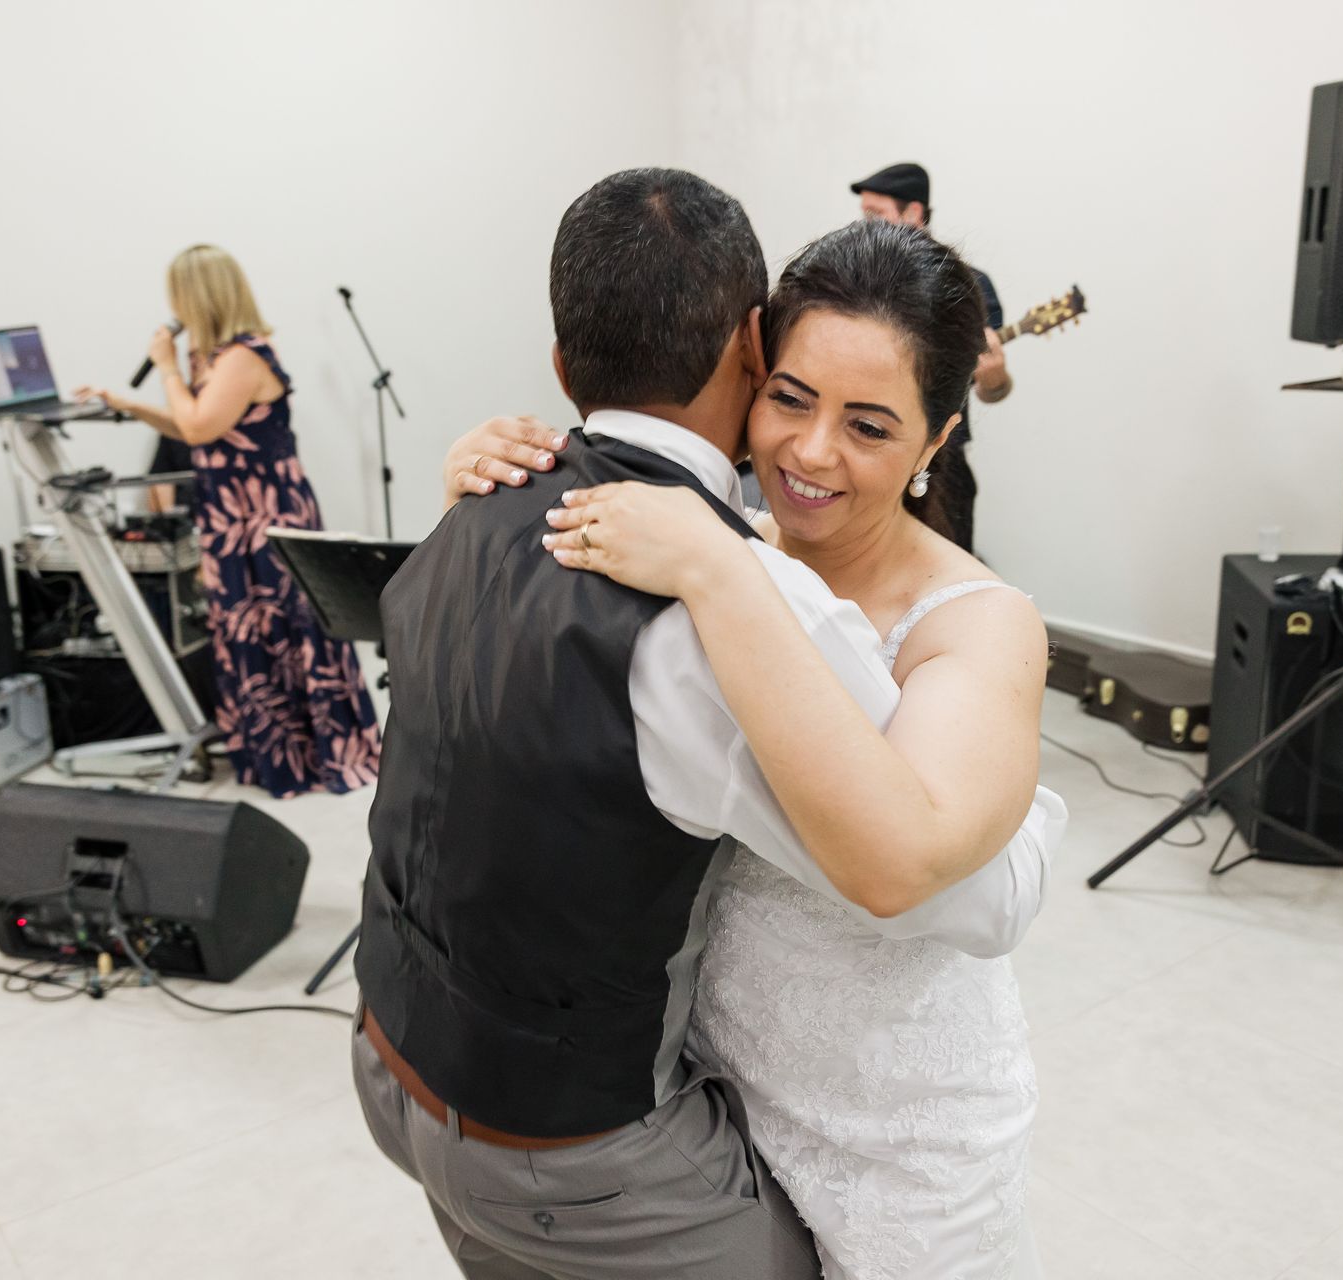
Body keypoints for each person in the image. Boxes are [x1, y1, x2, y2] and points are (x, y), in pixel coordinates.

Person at [357, 170, 1062, 1280]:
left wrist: (720, 575)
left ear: (938, 441)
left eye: (870, 424)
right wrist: (483, 490)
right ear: (748, 362)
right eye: (790, 397)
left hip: (889, 1116)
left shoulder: (975, 620)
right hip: (714, 1092)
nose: (810, 452)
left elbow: (975, 891)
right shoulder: (709, 535)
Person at [74, 245, 379, 797]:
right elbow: (198, 427)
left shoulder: (245, 355)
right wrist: (126, 404)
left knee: (282, 628)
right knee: (247, 629)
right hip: (229, 516)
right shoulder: (212, 360)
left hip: (265, 515)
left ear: (198, 298)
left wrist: (164, 368)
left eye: (178, 297)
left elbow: (197, 427)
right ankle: (269, 756)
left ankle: (310, 756)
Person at [851, 162, 1011, 552]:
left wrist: (994, 378)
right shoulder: (857, 276)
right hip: (864, 448)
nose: (866, 228)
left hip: (941, 464)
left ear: (914, 213)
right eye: (864, 217)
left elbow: (993, 391)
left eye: (877, 215)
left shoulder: (969, 285)